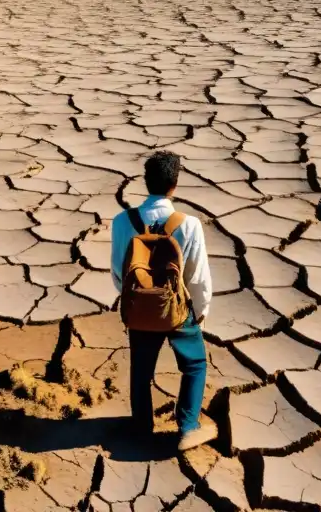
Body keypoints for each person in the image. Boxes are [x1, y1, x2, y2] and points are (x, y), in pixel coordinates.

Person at [111, 150, 216, 451]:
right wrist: (200, 311)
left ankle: (141, 428)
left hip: (139, 311)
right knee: (194, 364)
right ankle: (187, 427)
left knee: (141, 372)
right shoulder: (189, 224)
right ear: (175, 184)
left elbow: (118, 272)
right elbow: (197, 277)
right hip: (179, 312)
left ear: (145, 182)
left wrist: (136, 301)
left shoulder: (122, 221)